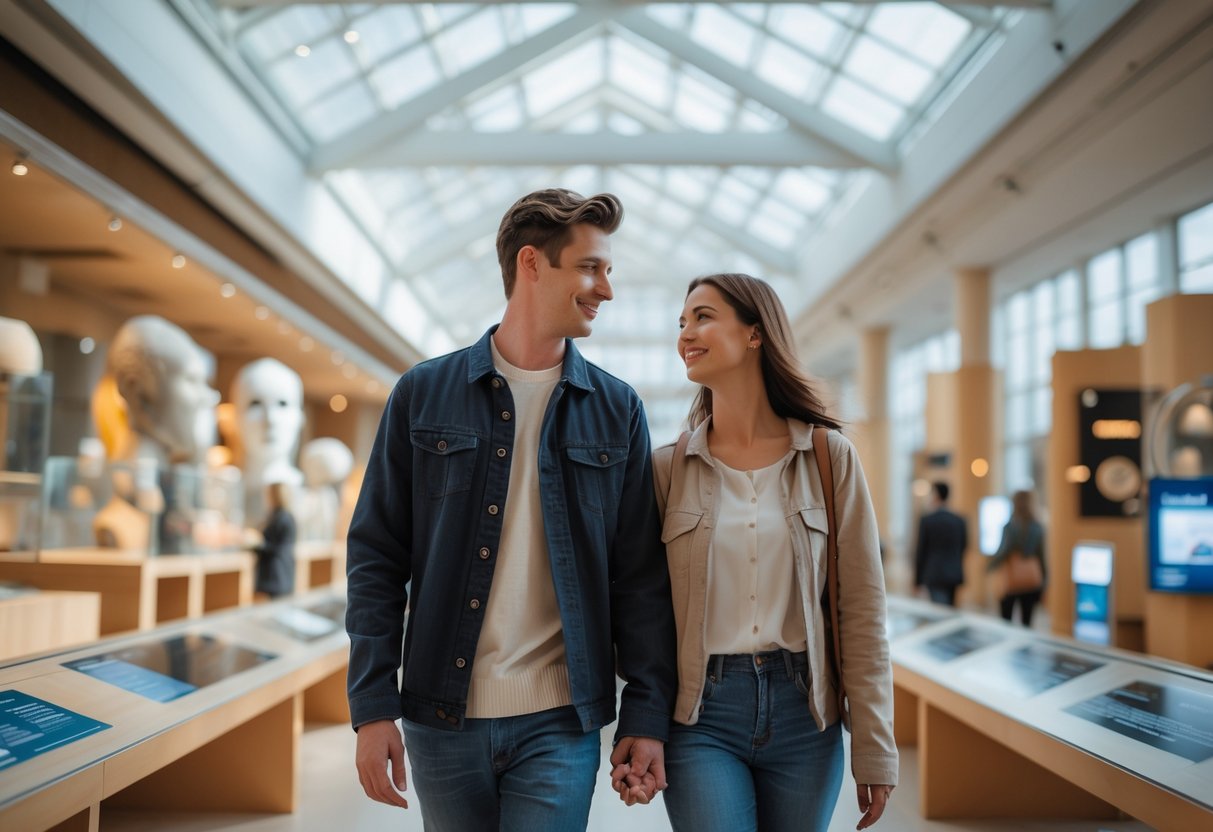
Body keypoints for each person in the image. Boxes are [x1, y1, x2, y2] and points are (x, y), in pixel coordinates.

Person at [345, 188, 677, 830]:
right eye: (590, 267)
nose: (605, 289)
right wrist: (372, 705)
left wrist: (644, 711)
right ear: (531, 263)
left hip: (562, 718)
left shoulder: (618, 408)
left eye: (607, 270)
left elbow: (640, 578)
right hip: (441, 715)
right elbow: (376, 560)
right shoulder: (423, 394)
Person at [650, 274, 897, 832]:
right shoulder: (667, 469)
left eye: (703, 316)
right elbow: (645, 611)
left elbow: (861, 611)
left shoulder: (830, 458)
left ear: (756, 333)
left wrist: (875, 747)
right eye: (681, 322)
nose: (686, 333)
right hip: (700, 714)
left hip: (806, 714)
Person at [231, 358, 305, 528]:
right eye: (255, 404)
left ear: (300, 417)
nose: (270, 420)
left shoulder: (303, 496)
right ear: (236, 416)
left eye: (282, 404)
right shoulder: (226, 489)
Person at [988, 489, 1046, 627]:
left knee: (1006, 620)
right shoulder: (1037, 527)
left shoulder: (1010, 526)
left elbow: (1003, 551)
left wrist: (990, 566)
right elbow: (1042, 556)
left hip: (1011, 578)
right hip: (1030, 579)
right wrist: (1044, 579)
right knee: (1027, 621)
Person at [913, 481, 968, 607]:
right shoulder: (958, 520)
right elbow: (964, 545)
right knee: (950, 608)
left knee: (940, 610)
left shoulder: (928, 520)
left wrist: (917, 580)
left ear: (936, 495)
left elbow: (921, 551)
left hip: (935, 573)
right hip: (954, 572)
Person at [253, 481, 296, 599]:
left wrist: (255, 545)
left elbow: (276, 546)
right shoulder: (281, 516)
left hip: (277, 573)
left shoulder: (281, 518)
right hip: (281, 571)